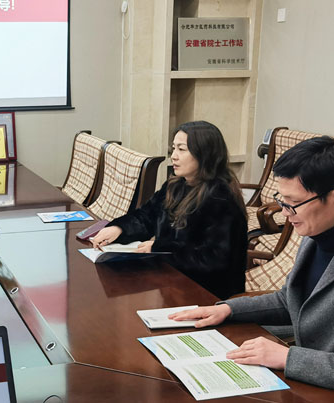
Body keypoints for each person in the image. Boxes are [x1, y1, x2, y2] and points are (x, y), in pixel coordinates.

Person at [170, 136, 334, 389]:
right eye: (282, 201)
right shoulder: (315, 235)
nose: (284, 213)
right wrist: (227, 310)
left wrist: (288, 357)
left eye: (293, 203)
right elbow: (290, 300)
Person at [91, 120, 248, 299]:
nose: (173, 156)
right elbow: (147, 216)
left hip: (208, 295)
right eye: (173, 149)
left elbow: (213, 260)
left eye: (181, 149)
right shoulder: (175, 185)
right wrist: (119, 228)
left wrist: (159, 247)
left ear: (204, 154)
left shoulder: (221, 199)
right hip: (171, 284)